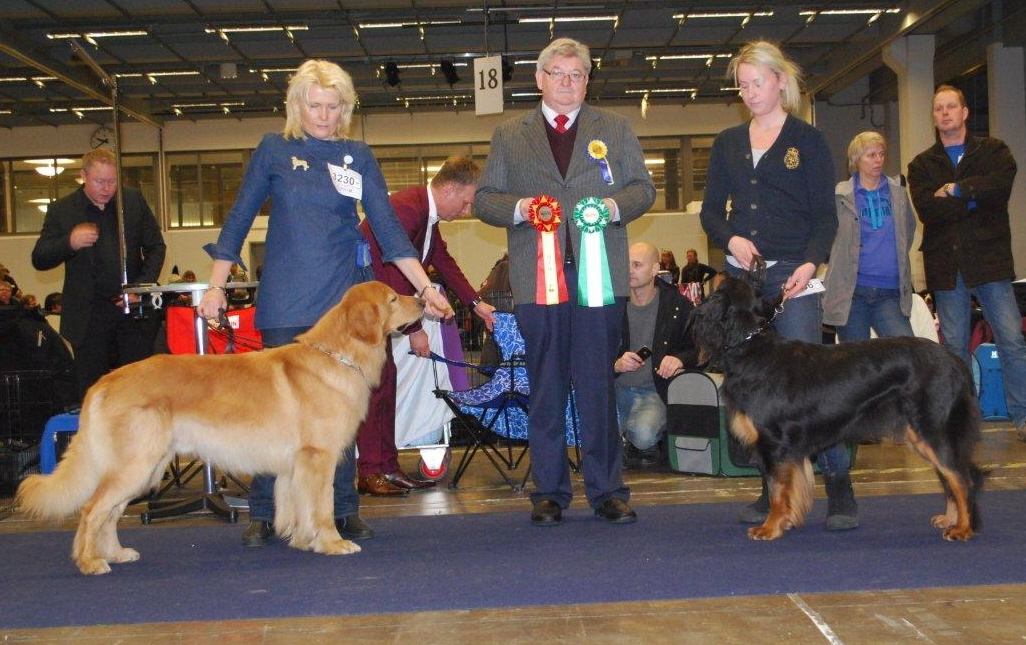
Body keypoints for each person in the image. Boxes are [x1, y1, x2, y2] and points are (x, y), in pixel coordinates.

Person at [196, 59, 453, 548]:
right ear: (297, 106)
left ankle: (341, 510)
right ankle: (266, 513)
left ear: (345, 108)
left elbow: (389, 229)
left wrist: (424, 289)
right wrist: (215, 285)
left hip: (343, 304)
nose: (323, 115)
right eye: (314, 105)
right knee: (273, 419)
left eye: (333, 106)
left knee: (341, 417)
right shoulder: (274, 149)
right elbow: (239, 217)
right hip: (286, 301)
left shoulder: (357, 155)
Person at [475, 37, 656, 526]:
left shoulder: (614, 129)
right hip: (537, 283)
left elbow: (645, 187)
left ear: (587, 80)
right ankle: (549, 492)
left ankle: (608, 491)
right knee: (546, 389)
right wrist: (523, 209)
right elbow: (484, 199)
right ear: (539, 79)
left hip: (601, 279)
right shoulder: (509, 135)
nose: (567, 83)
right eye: (558, 73)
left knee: (598, 387)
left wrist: (611, 208)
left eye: (577, 75)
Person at [698, 40, 848, 528]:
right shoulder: (727, 143)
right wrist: (731, 238)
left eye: (755, 83)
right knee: (753, 391)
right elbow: (709, 213)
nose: (748, 92)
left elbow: (826, 216)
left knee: (813, 390)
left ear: (780, 81)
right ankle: (774, 489)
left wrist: (811, 263)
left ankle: (839, 481)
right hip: (744, 280)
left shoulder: (808, 141)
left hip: (796, 278)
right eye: (741, 85)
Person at [355, 154, 496, 496]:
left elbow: (442, 261)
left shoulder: (426, 216)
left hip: (380, 314)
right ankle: (371, 470)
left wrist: (476, 304)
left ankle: (386, 468)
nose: (465, 212)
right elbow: (390, 271)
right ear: (449, 188)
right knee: (374, 391)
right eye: (465, 203)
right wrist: (413, 328)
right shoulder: (407, 208)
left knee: (385, 387)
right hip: (366, 315)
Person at [908, 84, 1026, 443]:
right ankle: (962, 423)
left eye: (950, 107)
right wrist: (976, 199)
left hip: (989, 262)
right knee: (954, 350)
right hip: (947, 267)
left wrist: (957, 191)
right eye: (938, 109)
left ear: (964, 112)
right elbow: (928, 210)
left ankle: (1022, 416)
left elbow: (999, 187)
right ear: (935, 117)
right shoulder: (921, 164)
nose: (944, 113)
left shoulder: (994, 151)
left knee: (1011, 341)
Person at [31, 147, 166, 400]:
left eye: (112, 181)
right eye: (99, 181)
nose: (106, 188)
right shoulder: (63, 210)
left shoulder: (133, 201)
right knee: (91, 392)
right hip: (88, 316)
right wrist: (69, 242)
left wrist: (141, 287)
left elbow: (156, 246)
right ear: (83, 175)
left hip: (131, 310)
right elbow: (39, 258)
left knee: (140, 390)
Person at [824, 131, 917, 342]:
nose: (878, 160)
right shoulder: (840, 196)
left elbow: (908, 232)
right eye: (871, 155)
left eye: (881, 154)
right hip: (852, 292)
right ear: (856, 160)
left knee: (907, 351)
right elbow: (828, 236)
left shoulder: (898, 193)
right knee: (857, 364)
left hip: (890, 292)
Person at [614, 242, 699, 468]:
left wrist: (680, 359)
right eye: (627, 264)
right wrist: (615, 364)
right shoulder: (612, 305)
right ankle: (627, 439)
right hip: (615, 389)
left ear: (655, 269)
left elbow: (701, 348)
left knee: (643, 435)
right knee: (594, 430)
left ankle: (635, 439)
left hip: (655, 390)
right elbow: (592, 351)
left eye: (637, 264)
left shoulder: (678, 305)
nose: (629, 269)